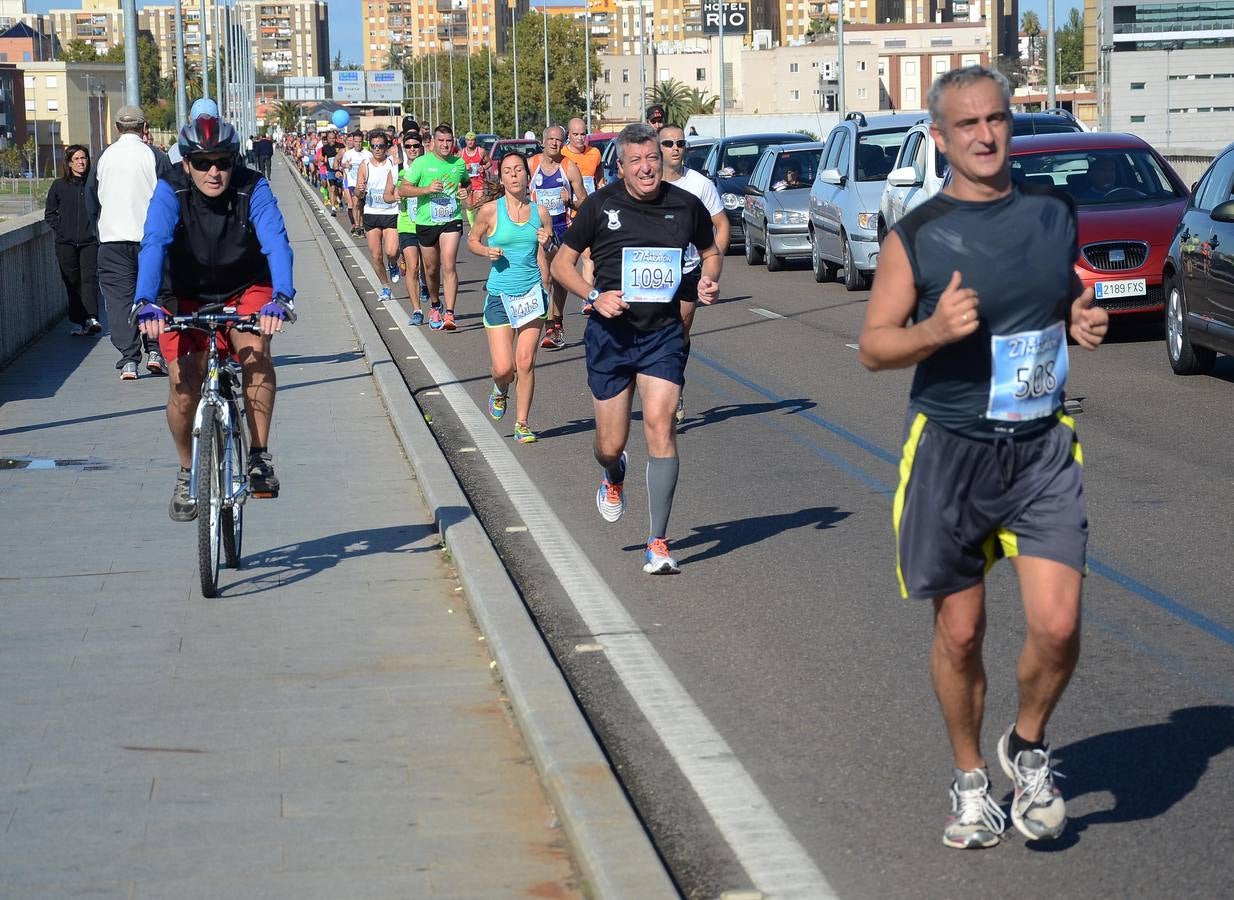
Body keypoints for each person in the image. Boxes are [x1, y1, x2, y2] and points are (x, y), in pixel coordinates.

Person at [855, 65, 1109, 850]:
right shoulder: (919, 234)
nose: (986, 134)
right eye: (966, 125)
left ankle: (1026, 745)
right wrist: (932, 333)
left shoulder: (1053, 214)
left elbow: (1054, 296)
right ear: (940, 138)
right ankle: (971, 780)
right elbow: (873, 346)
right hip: (952, 453)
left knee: (1059, 625)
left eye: (995, 119)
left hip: (1039, 448)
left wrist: (1077, 319)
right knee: (961, 634)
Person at [550, 124, 722, 575]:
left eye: (652, 159)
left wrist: (708, 279)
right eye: (637, 161)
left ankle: (658, 542)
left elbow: (711, 250)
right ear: (621, 166)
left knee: (662, 426)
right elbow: (560, 264)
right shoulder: (600, 205)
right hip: (611, 335)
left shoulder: (685, 205)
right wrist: (592, 296)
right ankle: (613, 473)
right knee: (610, 444)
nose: (647, 168)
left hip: (661, 334)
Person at [133, 105, 296, 522]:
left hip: (247, 286)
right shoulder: (171, 190)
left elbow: (276, 241)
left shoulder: (252, 187)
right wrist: (145, 300)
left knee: (255, 355)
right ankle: (188, 470)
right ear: (186, 164)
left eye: (221, 163)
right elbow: (153, 242)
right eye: (202, 163)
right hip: (183, 292)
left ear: (233, 161)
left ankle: (258, 456)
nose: (213, 172)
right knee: (184, 385)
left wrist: (282, 296)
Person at [468, 152, 553, 444]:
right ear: (501, 178)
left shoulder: (540, 213)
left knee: (526, 361)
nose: (514, 174)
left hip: (532, 294)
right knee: (505, 368)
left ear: (527, 176)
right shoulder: (491, 211)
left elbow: (548, 247)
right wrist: (485, 251)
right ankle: (500, 389)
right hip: (500, 295)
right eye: (508, 170)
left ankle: (522, 424)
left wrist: (548, 241)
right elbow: (472, 240)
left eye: (519, 169)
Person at [86, 104, 173, 380]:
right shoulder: (155, 156)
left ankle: (129, 359)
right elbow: (172, 196)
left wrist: (99, 232)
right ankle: (155, 350)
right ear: (144, 127)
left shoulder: (103, 158)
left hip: (112, 241)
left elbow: (91, 199)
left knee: (119, 300)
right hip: (150, 241)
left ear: (116, 128)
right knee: (155, 295)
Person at [659, 124, 729, 424]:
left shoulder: (700, 184)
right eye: (668, 143)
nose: (676, 148)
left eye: (681, 143)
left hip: (688, 270)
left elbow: (722, 225)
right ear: (657, 147)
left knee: (678, 333)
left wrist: (711, 267)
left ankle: (674, 385)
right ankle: (663, 389)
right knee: (656, 333)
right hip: (652, 272)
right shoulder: (645, 181)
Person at [398, 123, 469, 332]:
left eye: (449, 141)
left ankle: (449, 313)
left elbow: (466, 183)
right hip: (426, 222)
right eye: (441, 141)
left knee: (449, 264)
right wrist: (427, 189)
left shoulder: (459, 163)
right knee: (430, 269)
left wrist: (465, 191)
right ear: (434, 143)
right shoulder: (421, 163)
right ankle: (435, 305)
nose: (446, 145)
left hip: (451, 220)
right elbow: (403, 190)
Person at [529, 124, 586, 350]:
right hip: (539, 228)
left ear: (564, 143)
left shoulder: (569, 167)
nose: (554, 143)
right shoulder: (531, 164)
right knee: (545, 278)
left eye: (559, 140)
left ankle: (556, 325)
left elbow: (584, 200)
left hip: (563, 227)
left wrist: (570, 201)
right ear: (543, 141)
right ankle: (546, 324)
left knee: (559, 278)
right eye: (551, 139)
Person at [45, 144, 102, 336]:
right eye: (76, 159)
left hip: (89, 241)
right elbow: (50, 214)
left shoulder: (94, 184)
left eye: (83, 158)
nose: (81, 162)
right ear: (69, 163)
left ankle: (92, 317)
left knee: (89, 279)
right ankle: (80, 320)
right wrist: (63, 231)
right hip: (65, 243)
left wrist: (96, 230)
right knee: (72, 281)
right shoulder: (59, 186)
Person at [388, 132, 430, 325]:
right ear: (404, 149)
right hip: (406, 224)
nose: (412, 149)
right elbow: (387, 195)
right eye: (409, 146)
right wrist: (394, 196)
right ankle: (417, 311)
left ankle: (426, 285)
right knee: (412, 267)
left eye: (416, 145)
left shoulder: (429, 168)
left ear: (421, 147)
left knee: (428, 268)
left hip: (428, 223)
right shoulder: (398, 170)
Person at [356, 129, 402, 302]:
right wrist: (360, 191)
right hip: (371, 213)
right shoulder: (365, 165)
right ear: (370, 146)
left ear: (386, 146)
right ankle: (385, 287)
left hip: (391, 212)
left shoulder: (393, 162)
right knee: (376, 255)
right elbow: (359, 194)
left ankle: (393, 265)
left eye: (381, 146)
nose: (377, 149)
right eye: (374, 146)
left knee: (391, 251)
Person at [341, 130, 369, 237]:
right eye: (356, 141)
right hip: (352, 182)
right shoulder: (348, 153)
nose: (358, 143)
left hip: (364, 184)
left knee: (361, 205)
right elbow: (342, 164)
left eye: (360, 141)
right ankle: (357, 226)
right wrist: (345, 165)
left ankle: (361, 225)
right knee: (355, 203)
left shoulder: (367, 154)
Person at [460, 131, 490, 228]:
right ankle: (473, 226)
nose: (470, 142)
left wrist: (483, 168)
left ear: (475, 141)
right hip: (467, 183)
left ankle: (477, 226)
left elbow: (489, 162)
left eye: (472, 140)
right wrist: (464, 166)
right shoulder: (461, 153)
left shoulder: (481, 151)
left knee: (479, 204)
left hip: (479, 182)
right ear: (465, 141)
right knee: (469, 206)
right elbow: (456, 166)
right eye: (468, 140)